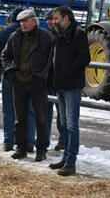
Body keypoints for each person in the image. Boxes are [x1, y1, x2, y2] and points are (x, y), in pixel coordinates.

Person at [1, 7, 53, 162]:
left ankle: (41, 150)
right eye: (21, 22)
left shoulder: (45, 37)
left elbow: (51, 59)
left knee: (41, 118)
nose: (22, 24)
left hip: (37, 83)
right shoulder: (15, 36)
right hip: (19, 82)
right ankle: (21, 148)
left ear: (34, 21)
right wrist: (11, 71)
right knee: (20, 118)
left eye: (25, 21)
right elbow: (5, 55)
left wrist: (43, 76)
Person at [49, 6, 90, 176]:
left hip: (72, 86)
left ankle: (71, 162)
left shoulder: (78, 33)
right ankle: (66, 158)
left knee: (72, 125)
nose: (53, 21)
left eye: (56, 18)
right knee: (64, 124)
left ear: (67, 18)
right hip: (61, 85)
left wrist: (68, 73)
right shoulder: (60, 34)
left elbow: (84, 58)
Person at [0, 8, 36, 152]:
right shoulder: (35, 32)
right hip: (29, 77)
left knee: (9, 109)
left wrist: (3, 69)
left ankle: (9, 141)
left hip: (10, 76)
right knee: (28, 110)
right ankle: (28, 143)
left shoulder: (4, 32)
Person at [45, 9, 66, 151]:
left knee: (61, 113)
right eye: (48, 19)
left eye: (52, 19)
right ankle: (44, 139)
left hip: (58, 80)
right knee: (45, 112)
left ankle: (63, 139)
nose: (49, 21)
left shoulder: (60, 36)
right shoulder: (45, 35)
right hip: (47, 80)